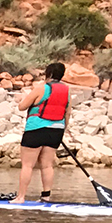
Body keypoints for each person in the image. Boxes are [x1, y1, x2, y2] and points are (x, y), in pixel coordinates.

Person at [15, 61, 69, 202]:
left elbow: (22, 106)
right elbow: (67, 113)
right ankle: (46, 197)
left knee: (27, 165)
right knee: (47, 165)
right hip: (56, 131)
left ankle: (20, 197)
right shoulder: (67, 91)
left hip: (36, 129)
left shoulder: (41, 88)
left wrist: (22, 99)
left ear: (49, 74)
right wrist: (63, 129)